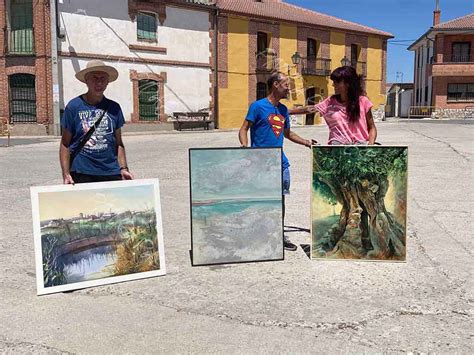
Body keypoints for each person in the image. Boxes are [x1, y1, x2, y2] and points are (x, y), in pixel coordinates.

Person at [239, 72, 316, 251]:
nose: (288, 88)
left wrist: (306, 142)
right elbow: (243, 129)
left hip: (280, 163)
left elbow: (287, 133)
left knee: (279, 200)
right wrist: (244, 147)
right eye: (285, 84)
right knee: (260, 199)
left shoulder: (282, 110)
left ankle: (277, 235)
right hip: (260, 163)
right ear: (275, 84)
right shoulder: (257, 107)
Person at [59, 60, 133, 184]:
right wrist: (66, 174)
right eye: (94, 78)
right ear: (86, 81)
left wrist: (124, 168)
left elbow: (118, 143)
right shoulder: (74, 106)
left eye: (103, 78)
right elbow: (65, 143)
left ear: (107, 82)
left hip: (111, 172)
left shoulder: (115, 108)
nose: (99, 82)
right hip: (82, 172)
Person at [292, 65, 377, 145]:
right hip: (336, 150)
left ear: (348, 83)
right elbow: (310, 109)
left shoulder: (363, 102)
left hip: (360, 149)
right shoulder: (330, 102)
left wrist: (370, 146)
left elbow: (372, 127)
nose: (333, 85)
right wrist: (286, 111)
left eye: (337, 82)